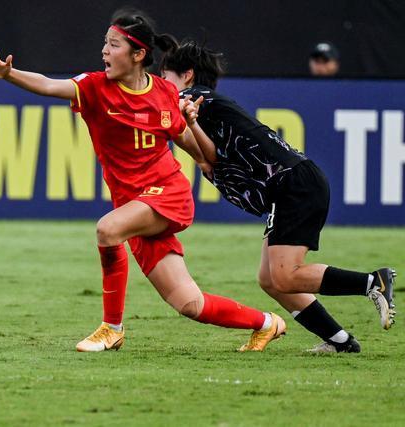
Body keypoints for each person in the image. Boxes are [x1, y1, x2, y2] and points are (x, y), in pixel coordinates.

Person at [0, 9, 287, 353]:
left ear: (138, 54)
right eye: (105, 43)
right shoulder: (94, 87)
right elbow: (49, 85)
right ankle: (266, 323)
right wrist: (9, 74)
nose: (104, 51)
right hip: (135, 205)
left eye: (113, 45)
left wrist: (193, 125)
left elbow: (196, 150)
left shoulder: (165, 93)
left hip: (168, 194)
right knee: (189, 303)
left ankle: (112, 329)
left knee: (108, 230)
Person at [158, 38, 396, 353]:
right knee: (270, 279)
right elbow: (207, 156)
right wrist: (187, 126)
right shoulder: (203, 109)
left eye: (165, 76)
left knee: (285, 276)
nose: (161, 84)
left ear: (187, 75)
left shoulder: (191, 97)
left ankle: (373, 282)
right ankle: (340, 341)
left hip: (292, 184)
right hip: (290, 186)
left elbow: (176, 123)